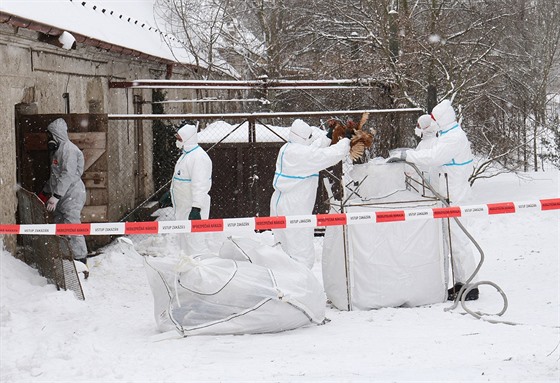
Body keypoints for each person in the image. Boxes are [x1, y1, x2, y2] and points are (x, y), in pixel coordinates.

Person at [388, 100, 478, 301]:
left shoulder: (454, 138)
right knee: (452, 240)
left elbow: (433, 157)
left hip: (455, 194)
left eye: (435, 119)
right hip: (448, 192)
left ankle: (470, 285)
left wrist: (406, 155)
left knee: (459, 240)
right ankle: (460, 283)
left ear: (443, 119)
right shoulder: (447, 135)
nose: (432, 122)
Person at [270, 119, 352, 269]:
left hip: (281, 204)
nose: (310, 139)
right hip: (295, 208)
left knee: (283, 249)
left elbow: (313, 150)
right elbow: (328, 155)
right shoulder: (301, 154)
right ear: (302, 137)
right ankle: (301, 286)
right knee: (300, 252)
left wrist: (328, 135)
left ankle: (285, 283)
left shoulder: (288, 148)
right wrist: (346, 140)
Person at [40, 118, 88, 267]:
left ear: (56, 135)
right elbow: (55, 177)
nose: (48, 139)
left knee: (72, 226)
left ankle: (80, 259)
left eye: (50, 136)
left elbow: (67, 175)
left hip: (72, 194)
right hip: (62, 196)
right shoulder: (57, 151)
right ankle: (66, 258)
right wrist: (45, 192)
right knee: (60, 226)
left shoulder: (69, 150)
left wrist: (55, 197)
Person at [171, 123, 213, 256]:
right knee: (185, 245)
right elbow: (181, 179)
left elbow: (200, 185)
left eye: (179, 138)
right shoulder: (186, 156)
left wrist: (196, 208)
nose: (177, 141)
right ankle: (189, 273)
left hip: (193, 211)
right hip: (184, 210)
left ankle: (202, 272)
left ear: (187, 139)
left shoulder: (198, 158)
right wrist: (171, 192)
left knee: (195, 244)